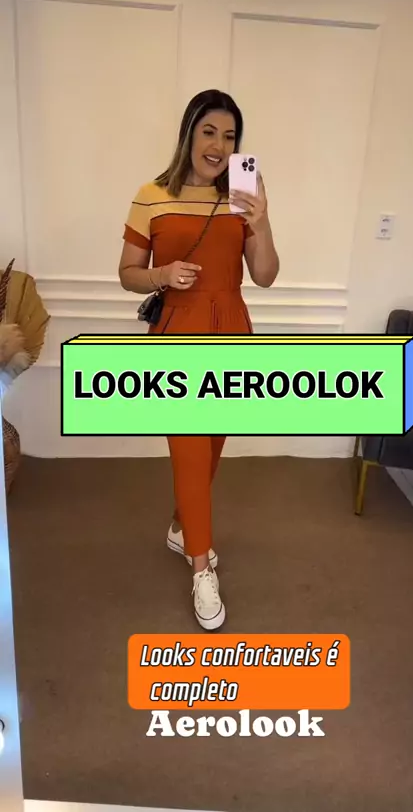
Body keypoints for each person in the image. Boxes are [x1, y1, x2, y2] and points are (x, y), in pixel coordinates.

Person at [119, 89, 279, 630]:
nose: (219, 145)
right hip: (177, 333)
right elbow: (128, 273)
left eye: (230, 136)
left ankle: (180, 525)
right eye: (209, 131)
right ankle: (201, 566)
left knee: (209, 449)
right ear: (189, 133)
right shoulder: (151, 196)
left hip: (232, 329)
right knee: (189, 448)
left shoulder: (243, 196)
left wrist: (262, 221)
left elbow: (265, 275)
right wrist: (162, 275)